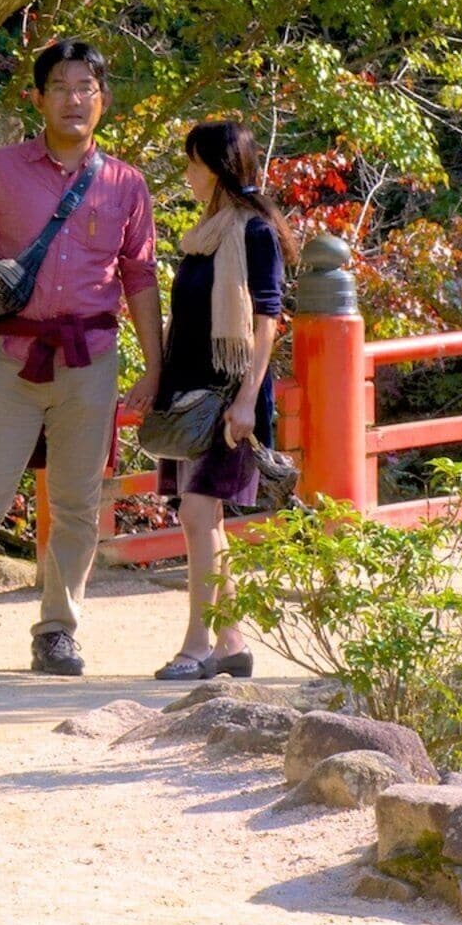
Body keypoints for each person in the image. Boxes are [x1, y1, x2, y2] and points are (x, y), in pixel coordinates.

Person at [0, 40, 161, 678]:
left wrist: (154, 365)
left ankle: (58, 630)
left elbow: (139, 278)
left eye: (86, 87)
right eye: (60, 87)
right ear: (38, 97)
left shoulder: (126, 183)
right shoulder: (0, 169)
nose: (74, 99)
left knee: (78, 503)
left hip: (90, 356)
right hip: (13, 356)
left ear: (102, 99)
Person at [135, 118, 287, 680]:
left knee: (199, 513)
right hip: (188, 391)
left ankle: (197, 644)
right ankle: (231, 641)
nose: (187, 174)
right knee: (205, 518)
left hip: (227, 397)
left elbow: (268, 318)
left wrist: (247, 399)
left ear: (218, 168)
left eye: (193, 163)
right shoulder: (206, 234)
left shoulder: (253, 233)